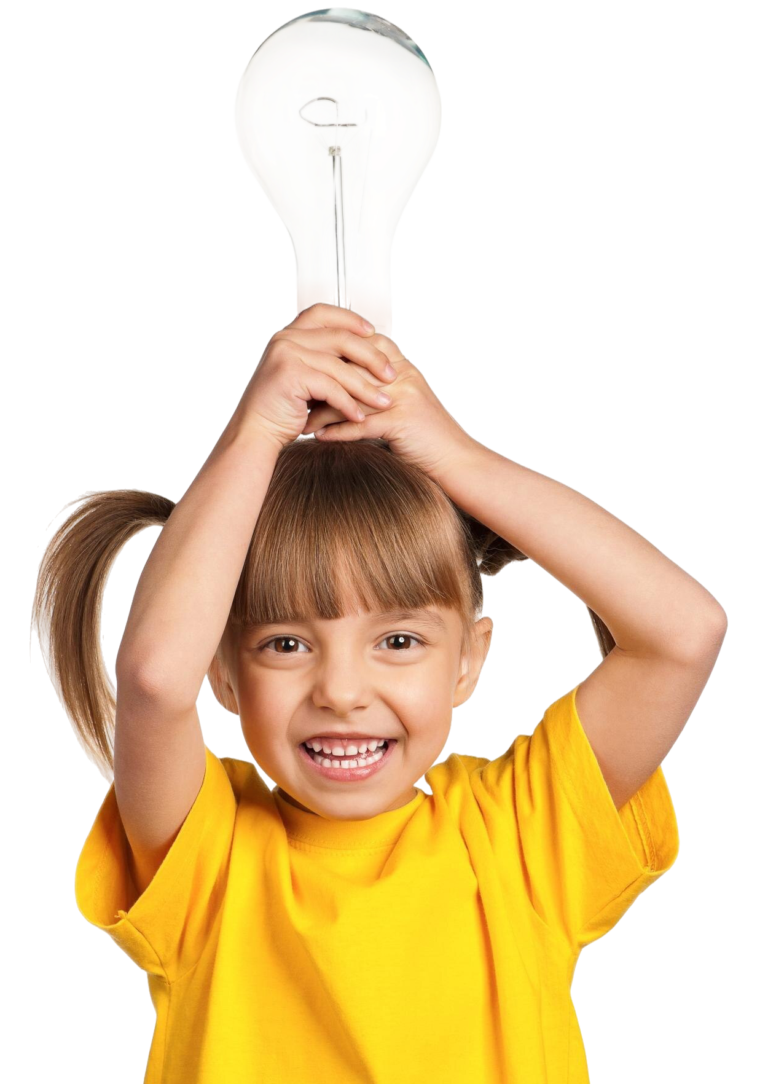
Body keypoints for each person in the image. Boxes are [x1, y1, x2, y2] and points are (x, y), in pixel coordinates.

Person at [32, 302, 727, 1082]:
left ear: (470, 659)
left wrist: (455, 456)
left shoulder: (520, 840)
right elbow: (155, 680)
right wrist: (254, 431)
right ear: (220, 670)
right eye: (286, 643)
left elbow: (685, 632)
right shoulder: (207, 856)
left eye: (398, 642)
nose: (341, 690)